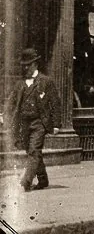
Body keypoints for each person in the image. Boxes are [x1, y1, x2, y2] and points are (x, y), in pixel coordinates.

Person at [7, 48, 58, 191]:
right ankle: (43, 179)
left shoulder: (46, 82)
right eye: (23, 65)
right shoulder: (20, 84)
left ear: (35, 64)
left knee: (34, 151)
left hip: (39, 122)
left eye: (28, 64)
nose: (25, 67)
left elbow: (55, 103)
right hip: (24, 123)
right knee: (31, 151)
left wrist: (56, 124)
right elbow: (12, 103)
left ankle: (26, 181)